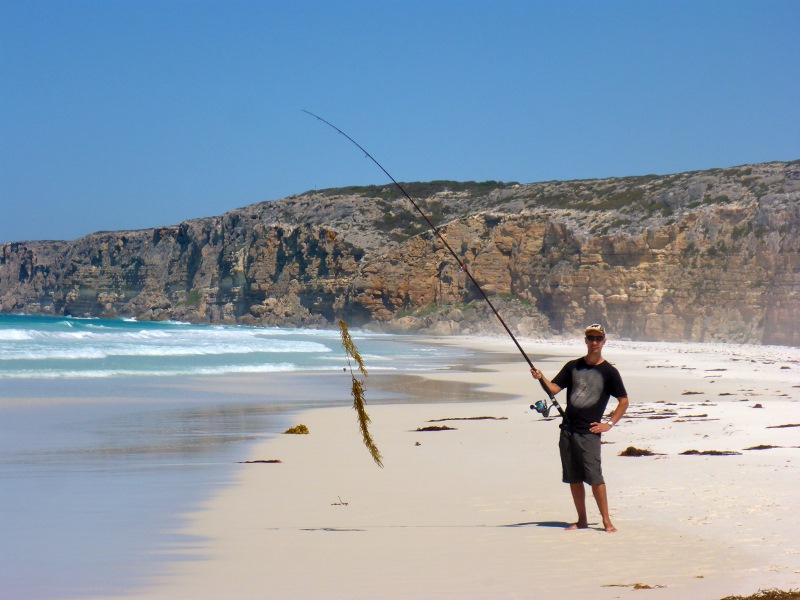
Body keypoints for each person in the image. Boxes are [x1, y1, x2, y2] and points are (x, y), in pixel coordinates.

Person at [530, 324, 629, 532]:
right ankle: (582, 519)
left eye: (598, 338)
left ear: (604, 341)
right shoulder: (573, 366)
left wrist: (608, 424)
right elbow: (554, 389)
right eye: (591, 338)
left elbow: (623, 401)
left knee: (595, 478)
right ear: (585, 340)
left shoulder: (609, 372)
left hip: (589, 433)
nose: (594, 342)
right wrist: (541, 378)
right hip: (568, 430)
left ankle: (606, 521)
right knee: (574, 477)